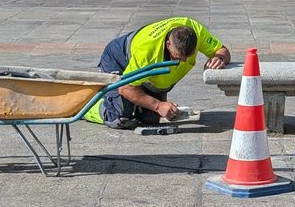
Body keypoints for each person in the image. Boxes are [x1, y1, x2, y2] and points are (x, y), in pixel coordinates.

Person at [84, 17, 231, 129]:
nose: (183, 61)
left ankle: (131, 102)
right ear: (168, 44)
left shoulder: (196, 31)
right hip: (119, 59)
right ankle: (86, 105)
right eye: (177, 57)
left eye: (189, 56)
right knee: (119, 118)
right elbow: (126, 88)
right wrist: (158, 105)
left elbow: (222, 50)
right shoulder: (148, 51)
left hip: (151, 77)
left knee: (149, 119)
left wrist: (219, 58)